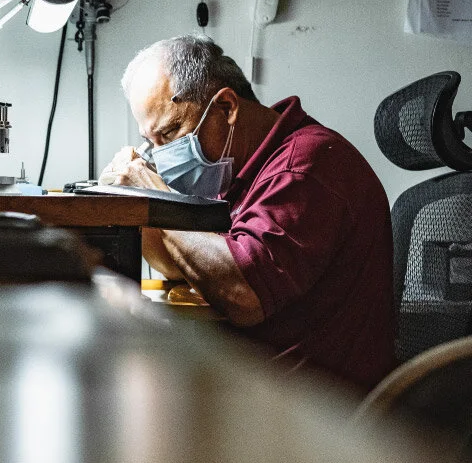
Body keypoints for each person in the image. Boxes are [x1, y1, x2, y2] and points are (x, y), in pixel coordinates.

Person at [101, 35, 396, 391]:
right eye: (153, 142)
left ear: (226, 107)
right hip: (264, 384)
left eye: (171, 132)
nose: (162, 156)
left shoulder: (305, 167)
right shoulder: (239, 171)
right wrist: (134, 202)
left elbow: (244, 296)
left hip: (315, 406)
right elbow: (179, 265)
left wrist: (155, 196)